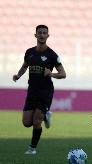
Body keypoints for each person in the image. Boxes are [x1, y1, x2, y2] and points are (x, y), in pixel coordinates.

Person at [12, 25, 66, 155]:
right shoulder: (29, 52)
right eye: (40, 33)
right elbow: (25, 66)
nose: (42, 35)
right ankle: (46, 115)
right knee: (26, 123)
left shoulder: (52, 55)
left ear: (48, 36)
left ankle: (32, 148)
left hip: (45, 92)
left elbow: (63, 74)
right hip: (32, 91)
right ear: (35, 35)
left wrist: (51, 74)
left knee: (36, 121)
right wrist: (18, 75)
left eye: (44, 33)